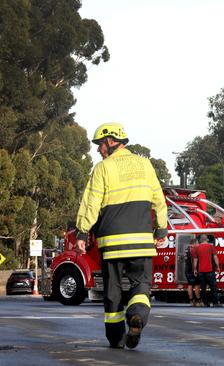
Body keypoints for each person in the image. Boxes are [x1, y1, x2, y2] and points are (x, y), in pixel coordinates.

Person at [75, 122, 168, 349]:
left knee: (113, 290)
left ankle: (116, 338)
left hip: (112, 243)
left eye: (99, 145)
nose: (98, 150)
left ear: (110, 142)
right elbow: (159, 199)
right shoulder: (145, 164)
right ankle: (136, 316)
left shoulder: (102, 168)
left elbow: (91, 203)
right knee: (141, 287)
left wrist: (82, 231)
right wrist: (162, 229)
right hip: (142, 242)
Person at [193, 234, 221, 307]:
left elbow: (195, 260)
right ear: (207, 239)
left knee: (203, 288)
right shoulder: (211, 247)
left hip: (201, 271)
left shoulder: (197, 248)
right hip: (210, 270)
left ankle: (206, 303)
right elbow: (215, 257)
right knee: (213, 288)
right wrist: (217, 267)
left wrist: (195, 269)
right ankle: (215, 303)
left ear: (200, 240)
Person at [184, 238, 201, 306]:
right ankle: (198, 300)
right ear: (195, 243)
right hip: (192, 270)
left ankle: (191, 301)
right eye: (197, 243)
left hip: (187, 270)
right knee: (197, 285)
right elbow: (194, 260)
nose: (198, 245)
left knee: (190, 285)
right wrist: (195, 270)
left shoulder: (186, 250)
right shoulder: (194, 250)